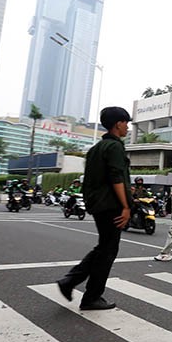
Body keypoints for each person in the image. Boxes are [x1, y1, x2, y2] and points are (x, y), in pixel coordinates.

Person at [56, 106, 132, 310]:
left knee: (104, 248)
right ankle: (90, 296)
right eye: (126, 123)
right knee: (107, 251)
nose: (128, 127)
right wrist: (125, 207)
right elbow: (116, 177)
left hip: (98, 205)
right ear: (118, 124)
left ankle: (71, 282)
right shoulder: (115, 147)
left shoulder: (95, 149)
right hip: (112, 206)